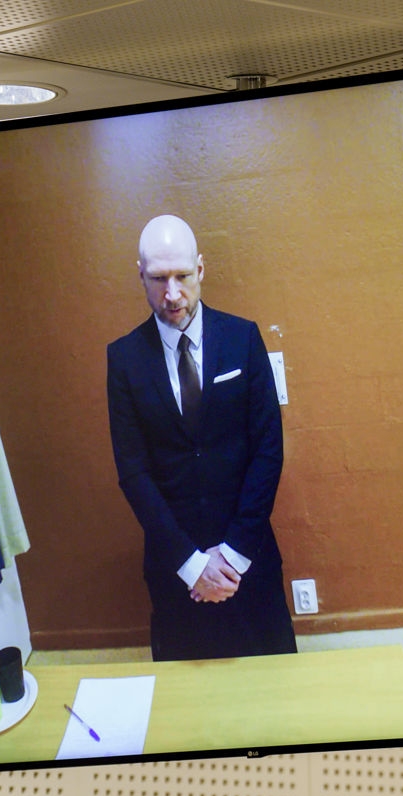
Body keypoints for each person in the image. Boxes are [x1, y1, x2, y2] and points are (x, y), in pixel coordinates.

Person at [106, 215, 298, 661]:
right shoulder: (124, 359)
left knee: (275, 684)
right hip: (175, 565)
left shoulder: (243, 338)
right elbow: (133, 473)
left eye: (182, 276)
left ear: (201, 269)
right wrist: (193, 566)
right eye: (158, 279)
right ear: (140, 275)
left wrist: (231, 556)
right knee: (188, 692)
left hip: (248, 554)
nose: (172, 294)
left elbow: (268, 451)